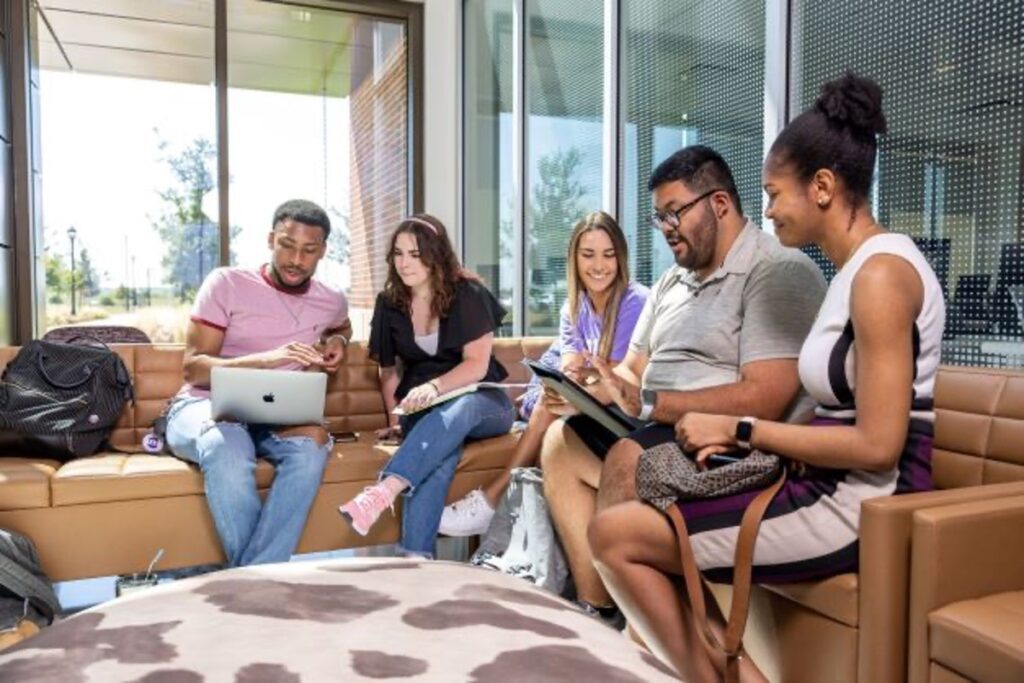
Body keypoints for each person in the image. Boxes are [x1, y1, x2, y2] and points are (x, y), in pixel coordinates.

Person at [588, 73, 945, 680]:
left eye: (775, 193)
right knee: (624, 523)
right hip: (827, 483)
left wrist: (742, 427)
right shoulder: (854, 273)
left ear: (823, 187)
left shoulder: (882, 276)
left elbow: (879, 445)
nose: (770, 210)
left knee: (617, 538)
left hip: (863, 502)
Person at [540, 145, 827, 626]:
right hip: (658, 421)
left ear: (718, 205)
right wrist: (596, 389)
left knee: (626, 461)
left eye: (674, 213)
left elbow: (766, 396)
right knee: (559, 442)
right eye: (659, 218)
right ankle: (601, 612)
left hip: (723, 439)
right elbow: (634, 368)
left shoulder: (777, 271)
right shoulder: (673, 281)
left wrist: (651, 403)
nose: (667, 229)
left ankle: (636, 632)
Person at [165, 199, 351, 567]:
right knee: (226, 444)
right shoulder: (227, 283)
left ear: (323, 252)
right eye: (287, 244)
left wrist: (338, 342)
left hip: (274, 415)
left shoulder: (331, 300)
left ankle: (249, 582)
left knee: (312, 446)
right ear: (270, 239)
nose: (296, 259)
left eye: (308, 250)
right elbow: (194, 369)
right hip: (206, 406)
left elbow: (341, 326)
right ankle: (262, 581)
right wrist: (265, 360)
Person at [439, 211, 649, 537]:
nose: (599, 265)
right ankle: (508, 515)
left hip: (629, 413)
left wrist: (580, 387)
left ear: (620, 258)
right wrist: (575, 386)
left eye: (609, 255)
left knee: (547, 406)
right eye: (588, 254)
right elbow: (571, 369)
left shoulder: (634, 302)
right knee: (549, 400)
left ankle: (492, 501)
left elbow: (620, 380)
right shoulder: (574, 307)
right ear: (574, 259)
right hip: (595, 405)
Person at [337, 214, 516, 558]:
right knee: (439, 452)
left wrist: (435, 389)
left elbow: (477, 366)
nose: (405, 263)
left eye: (415, 254)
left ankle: (384, 490)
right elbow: (388, 372)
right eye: (398, 254)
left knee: (460, 409)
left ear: (436, 254)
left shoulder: (469, 294)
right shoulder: (389, 303)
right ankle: (416, 560)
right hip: (427, 409)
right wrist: (394, 420)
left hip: (482, 402)